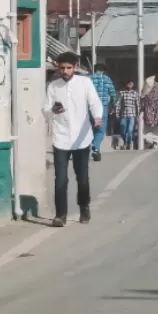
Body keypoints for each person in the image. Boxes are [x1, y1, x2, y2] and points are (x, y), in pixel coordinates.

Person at [42, 52, 104, 225]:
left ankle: (84, 208)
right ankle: (60, 215)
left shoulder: (85, 83)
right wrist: (53, 111)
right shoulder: (53, 86)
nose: (65, 71)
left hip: (82, 138)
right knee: (60, 178)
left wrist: (97, 117)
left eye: (69, 68)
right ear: (58, 67)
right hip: (60, 138)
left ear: (75, 67)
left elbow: (94, 102)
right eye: (62, 68)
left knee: (82, 177)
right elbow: (45, 110)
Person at [88, 62, 116, 162]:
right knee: (100, 129)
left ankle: (95, 150)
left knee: (91, 127)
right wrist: (113, 104)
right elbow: (113, 93)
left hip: (90, 106)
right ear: (103, 71)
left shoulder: (89, 78)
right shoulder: (107, 79)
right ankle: (95, 147)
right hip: (102, 106)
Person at [116, 79, 141, 150]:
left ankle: (128, 143)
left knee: (130, 130)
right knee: (123, 130)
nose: (130, 85)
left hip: (132, 115)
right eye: (129, 83)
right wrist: (117, 113)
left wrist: (138, 115)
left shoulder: (135, 94)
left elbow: (138, 105)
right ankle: (125, 141)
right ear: (126, 85)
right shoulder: (122, 93)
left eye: (131, 83)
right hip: (124, 115)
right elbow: (118, 104)